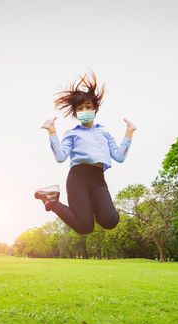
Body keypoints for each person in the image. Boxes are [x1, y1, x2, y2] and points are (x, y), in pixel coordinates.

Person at [35, 73, 137, 234]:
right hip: (78, 179)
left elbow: (119, 157)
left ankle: (94, 208)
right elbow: (61, 157)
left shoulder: (105, 133)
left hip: (98, 180)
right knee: (85, 226)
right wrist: (52, 132)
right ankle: (52, 201)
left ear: (95, 109)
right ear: (76, 113)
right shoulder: (72, 133)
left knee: (110, 220)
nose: (85, 110)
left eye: (88, 107)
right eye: (80, 108)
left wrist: (129, 132)